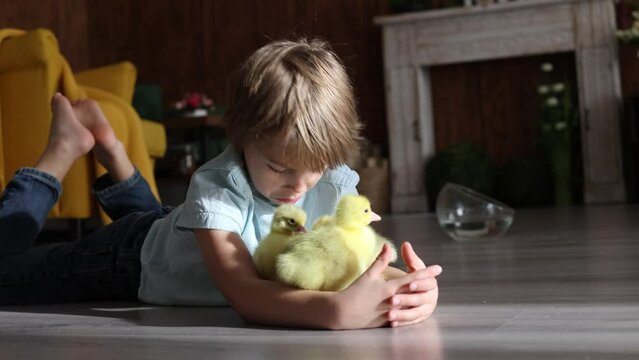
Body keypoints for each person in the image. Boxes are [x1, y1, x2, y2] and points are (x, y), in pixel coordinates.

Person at [0, 39, 441, 330]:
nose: (300, 185)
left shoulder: (334, 181)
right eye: (279, 167)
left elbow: (360, 261)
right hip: (129, 259)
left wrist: (409, 287)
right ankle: (61, 152)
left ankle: (110, 148)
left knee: (160, 220)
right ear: (239, 137)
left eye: (316, 167)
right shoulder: (217, 184)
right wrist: (334, 311)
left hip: (175, 232)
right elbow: (246, 294)